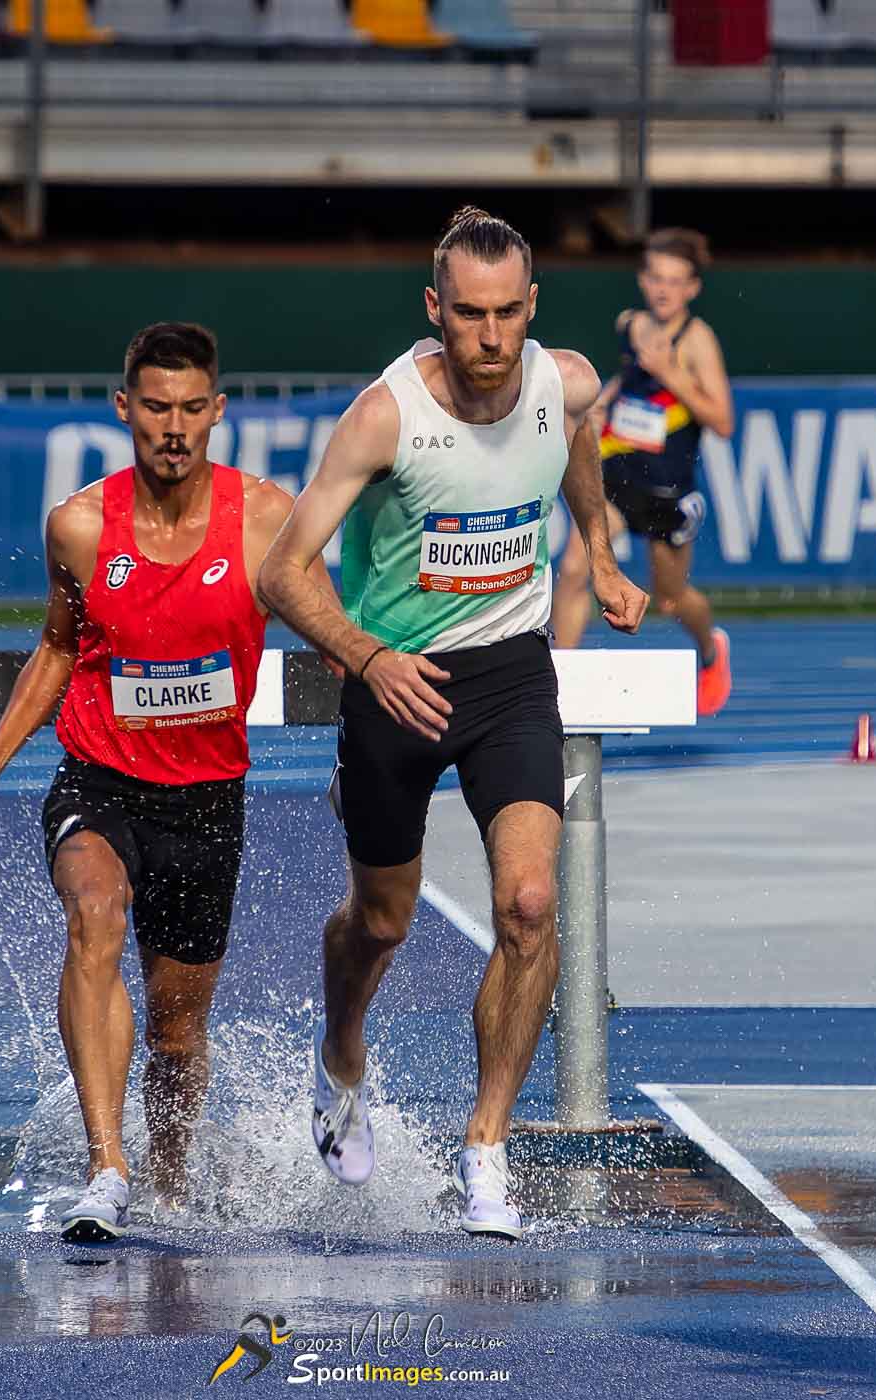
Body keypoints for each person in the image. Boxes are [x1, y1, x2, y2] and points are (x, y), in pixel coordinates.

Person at [258, 208, 648, 1240]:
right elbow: (282, 571)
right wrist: (368, 658)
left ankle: (486, 1148)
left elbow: (577, 438)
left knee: (528, 903)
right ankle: (341, 1053)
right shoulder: (384, 417)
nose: (490, 335)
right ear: (436, 308)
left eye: (508, 313)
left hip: (511, 673)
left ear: (532, 305)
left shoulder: (565, 382)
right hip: (397, 683)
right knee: (382, 921)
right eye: (469, 314)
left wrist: (600, 553)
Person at [0, 321, 334, 1244]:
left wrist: (384, 693)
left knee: (177, 1036)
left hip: (209, 802)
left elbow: (333, 632)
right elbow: (57, 648)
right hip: (99, 782)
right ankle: (106, 1168)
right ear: (125, 409)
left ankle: (171, 1179)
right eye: (156, 407)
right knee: (94, 914)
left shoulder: (266, 517)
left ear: (218, 411)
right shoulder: (78, 526)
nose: (174, 427)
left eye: (191, 408)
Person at [551, 228, 735, 716]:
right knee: (575, 569)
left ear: (693, 288)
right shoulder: (630, 325)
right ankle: (556, 688)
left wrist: (672, 373)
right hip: (615, 478)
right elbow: (630, 378)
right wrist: (603, 403)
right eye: (656, 278)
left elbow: (723, 421)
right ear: (642, 279)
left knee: (670, 599)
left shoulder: (697, 340)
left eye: (675, 281)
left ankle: (712, 649)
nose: (663, 289)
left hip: (667, 491)